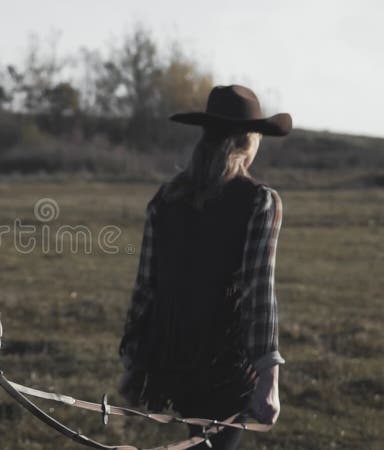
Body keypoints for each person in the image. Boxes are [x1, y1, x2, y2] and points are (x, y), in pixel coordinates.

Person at [118, 85, 291, 450]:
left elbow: (146, 287)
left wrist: (134, 360)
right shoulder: (260, 201)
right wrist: (269, 379)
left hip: (170, 361)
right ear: (250, 141)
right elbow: (258, 291)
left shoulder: (166, 198)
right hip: (226, 369)